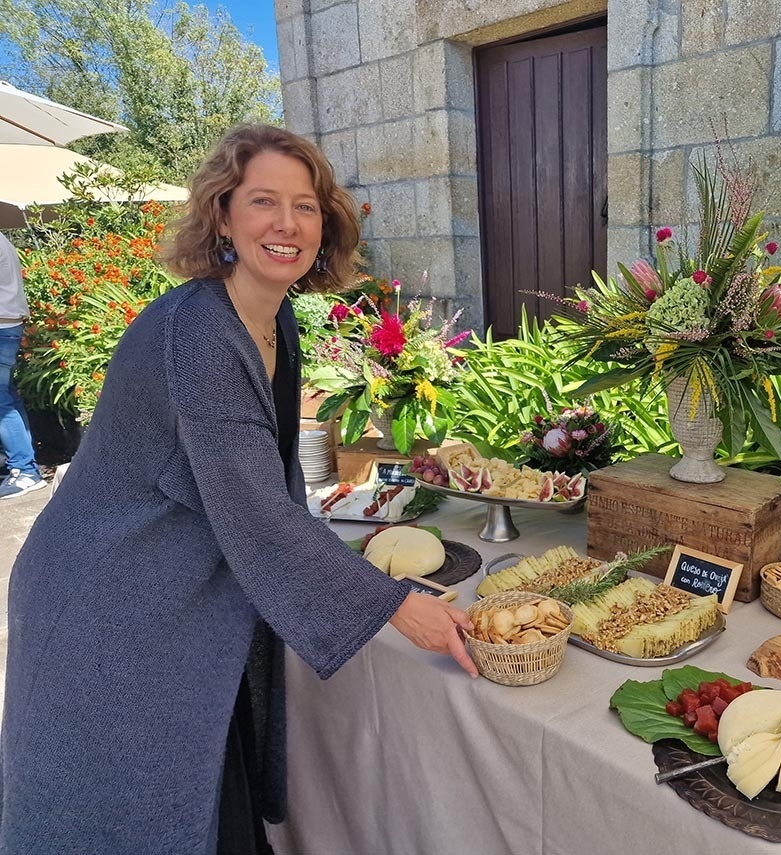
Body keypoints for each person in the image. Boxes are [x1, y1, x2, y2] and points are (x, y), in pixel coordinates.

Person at [0, 124, 478, 855]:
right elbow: (257, 515)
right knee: (145, 809)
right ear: (223, 214)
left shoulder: (271, 314)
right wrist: (393, 603)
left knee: (203, 798)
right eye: (263, 201)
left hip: (164, 584)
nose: (287, 224)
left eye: (306, 206)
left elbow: (262, 482)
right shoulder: (196, 333)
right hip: (111, 601)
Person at [0, 231, 44, 499]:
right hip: (8, 324)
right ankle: (21, 463)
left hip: (1, 325)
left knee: (1, 403)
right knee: (7, 397)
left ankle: (25, 470)